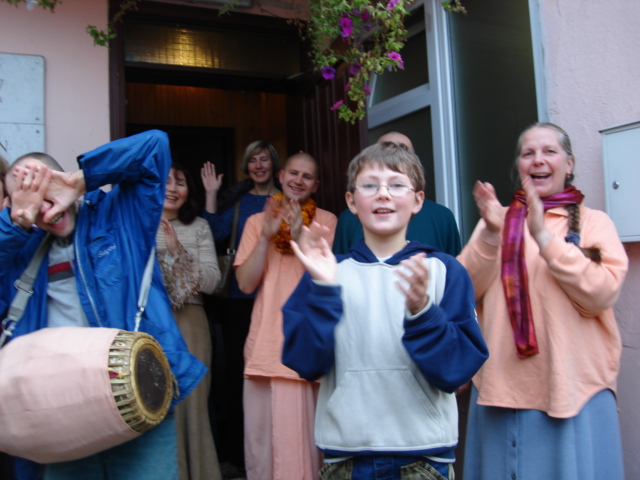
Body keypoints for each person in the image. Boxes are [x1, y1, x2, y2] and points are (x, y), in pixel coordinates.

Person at [0, 131, 206, 480]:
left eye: (50, 195)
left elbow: (155, 146)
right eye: (34, 204)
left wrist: (81, 180)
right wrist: (14, 224)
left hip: (138, 390)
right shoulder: (19, 249)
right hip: (62, 408)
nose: (47, 212)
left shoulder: (119, 215)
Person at [281, 142, 488, 480]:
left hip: (424, 457)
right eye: (369, 185)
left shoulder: (444, 271)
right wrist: (322, 289)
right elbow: (305, 363)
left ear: (418, 200)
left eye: (396, 184)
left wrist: (423, 311)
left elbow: (456, 372)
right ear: (351, 201)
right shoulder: (328, 272)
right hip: (345, 458)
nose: (383, 195)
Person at [458, 123, 629, 479]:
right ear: (518, 166)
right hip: (500, 390)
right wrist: (491, 234)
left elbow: (601, 294)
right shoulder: (497, 220)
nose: (538, 160)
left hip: (574, 389)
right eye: (528, 153)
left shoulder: (596, 223)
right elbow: (462, 293)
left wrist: (543, 237)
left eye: (549, 151)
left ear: (569, 163)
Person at [234, 152, 337, 480]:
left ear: (316, 185)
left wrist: (300, 237)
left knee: (308, 450)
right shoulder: (255, 222)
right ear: (280, 176)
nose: (298, 180)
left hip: (307, 346)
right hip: (265, 346)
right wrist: (267, 234)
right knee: (263, 450)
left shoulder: (327, 222)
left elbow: (327, 279)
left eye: (307, 177)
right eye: (294, 173)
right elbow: (246, 283)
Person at [200, 140, 281, 472]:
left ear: (274, 164)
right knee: (239, 377)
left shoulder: (288, 199)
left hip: (277, 300)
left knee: (277, 375)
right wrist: (210, 193)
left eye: (264, 160)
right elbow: (213, 233)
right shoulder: (237, 201)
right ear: (246, 166)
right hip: (240, 301)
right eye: (253, 161)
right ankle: (239, 455)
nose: (258, 165)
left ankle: (278, 450)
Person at [156, 163, 222, 480]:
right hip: (150, 323)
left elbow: (212, 281)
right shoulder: (138, 224)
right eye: (165, 181)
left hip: (191, 322)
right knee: (154, 405)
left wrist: (177, 252)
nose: (172, 188)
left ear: (189, 191)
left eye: (179, 182)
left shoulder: (198, 227)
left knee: (192, 408)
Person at [332, 132, 461, 256]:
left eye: (397, 185)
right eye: (384, 150)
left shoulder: (442, 217)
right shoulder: (348, 219)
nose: (383, 194)